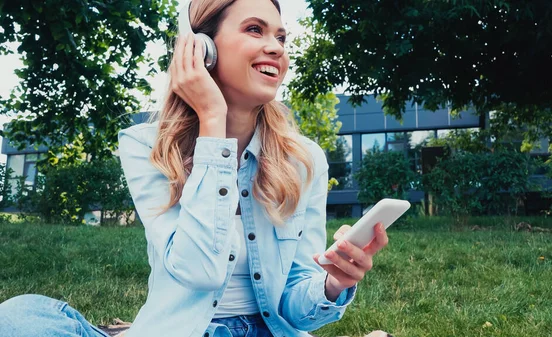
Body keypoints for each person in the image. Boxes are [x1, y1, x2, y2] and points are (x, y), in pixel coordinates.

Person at [0, 0, 389, 336]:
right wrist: (212, 121)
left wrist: (332, 283)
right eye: (255, 30)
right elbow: (200, 270)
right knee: (19, 320)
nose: (276, 48)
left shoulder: (303, 159)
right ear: (201, 49)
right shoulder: (145, 146)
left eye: (282, 38)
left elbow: (295, 307)